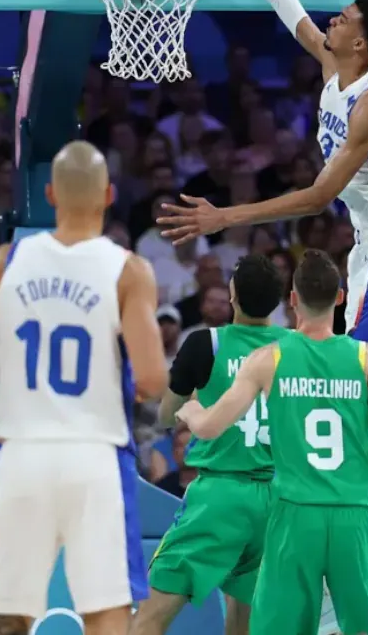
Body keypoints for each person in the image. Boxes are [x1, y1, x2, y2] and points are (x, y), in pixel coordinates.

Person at [158, 0, 368, 633]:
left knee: (358, 392)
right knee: (365, 401)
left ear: (363, 40)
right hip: (366, 245)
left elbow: (317, 195)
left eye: (344, 17)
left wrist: (224, 218)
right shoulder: (335, 65)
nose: (333, 19)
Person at [0, 141, 168, 635]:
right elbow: (151, 380)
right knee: (104, 617)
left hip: (24, 455)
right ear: (108, 195)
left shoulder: (4, 262)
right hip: (94, 457)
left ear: (49, 194)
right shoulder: (128, 270)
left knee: (10, 618)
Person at [175, 249, 368, 635]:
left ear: (292, 299)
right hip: (353, 514)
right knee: (361, 627)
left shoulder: (268, 358)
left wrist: (189, 410)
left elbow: (209, 427)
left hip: (295, 514)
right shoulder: (365, 358)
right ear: (340, 297)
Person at [131, 255, 287, 635]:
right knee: (245, 621)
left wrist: (198, 401)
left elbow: (168, 414)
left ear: (232, 294)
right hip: (280, 500)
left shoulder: (207, 344)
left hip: (220, 497)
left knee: (150, 616)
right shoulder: (299, 349)